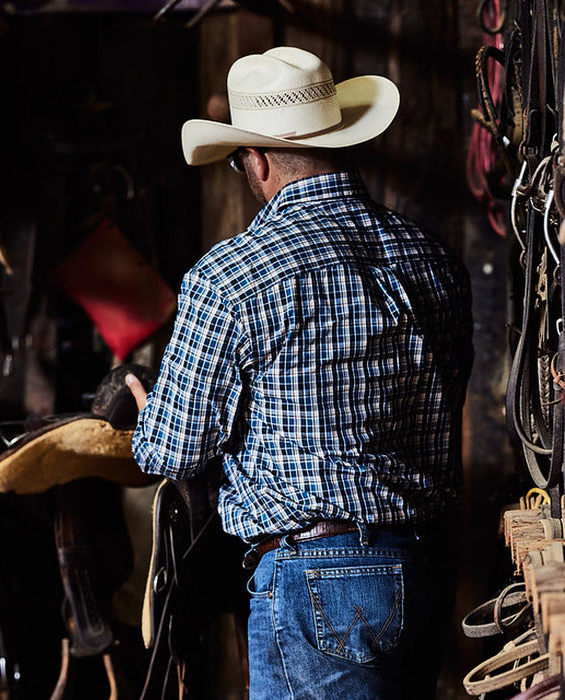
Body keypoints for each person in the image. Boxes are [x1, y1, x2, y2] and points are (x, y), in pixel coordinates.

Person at [126, 46, 473, 700]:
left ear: (255, 161)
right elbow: (444, 397)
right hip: (420, 563)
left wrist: (151, 420)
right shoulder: (431, 260)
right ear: (340, 142)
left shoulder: (230, 278)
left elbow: (171, 450)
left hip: (315, 573)